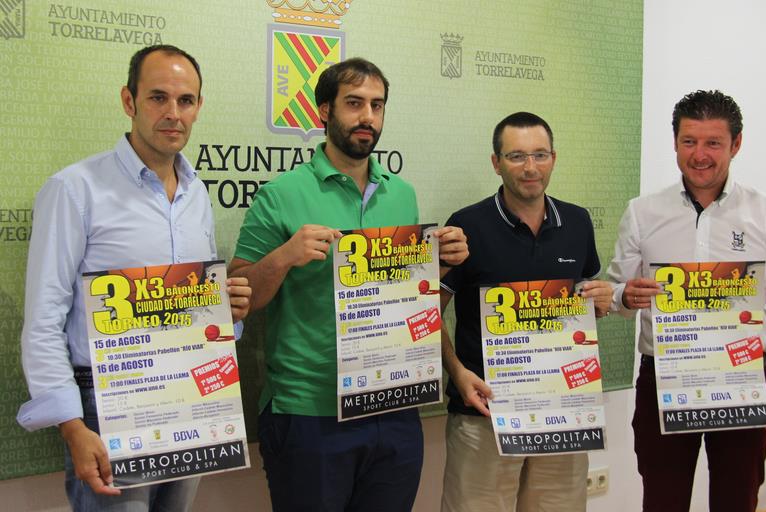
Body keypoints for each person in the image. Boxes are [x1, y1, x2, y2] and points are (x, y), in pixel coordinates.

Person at [17, 44, 252, 511]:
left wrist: (229, 312)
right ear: (129, 101)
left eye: (185, 101)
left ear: (199, 107)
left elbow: (192, 309)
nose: (173, 113)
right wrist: (72, 427)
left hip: (190, 398)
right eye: (157, 97)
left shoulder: (196, 193)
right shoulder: (75, 189)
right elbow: (43, 319)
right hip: (107, 407)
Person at [228, 57, 468, 511]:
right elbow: (238, 296)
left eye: (377, 106)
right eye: (354, 104)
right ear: (323, 111)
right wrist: (283, 257)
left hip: (395, 403)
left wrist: (438, 265)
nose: (368, 118)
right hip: (310, 412)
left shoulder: (402, 194)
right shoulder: (279, 195)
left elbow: (399, 295)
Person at [607, 90, 766, 512]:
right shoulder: (642, 212)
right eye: (689, 142)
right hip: (664, 378)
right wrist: (623, 295)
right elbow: (616, 293)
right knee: (662, 501)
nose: (699, 155)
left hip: (742, 376)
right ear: (674, 142)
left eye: (713, 143)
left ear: (736, 145)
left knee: (737, 500)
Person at [439, 112, 613, 512]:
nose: (530, 168)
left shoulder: (578, 221)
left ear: (554, 158)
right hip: (483, 414)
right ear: (496, 163)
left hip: (563, 413)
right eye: (516, 156)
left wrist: (600, 301)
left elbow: (585, 301)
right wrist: (458, 373)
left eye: (540, 155)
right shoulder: (468, 225)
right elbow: (428, 312)